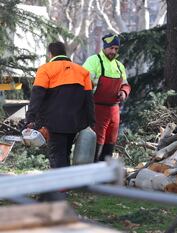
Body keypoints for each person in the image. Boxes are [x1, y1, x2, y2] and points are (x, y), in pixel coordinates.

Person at [26, 41, 95, 169]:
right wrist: (91, 122)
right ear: (64, 53)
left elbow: (37, 95)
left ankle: (60, 187)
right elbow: (89, 99)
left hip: (53, 122)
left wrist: (30, 118)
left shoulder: (45, 69)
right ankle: (65, 184)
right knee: (66, 152)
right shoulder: (83, 72)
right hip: (75, 122)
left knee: (57, 154)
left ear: (50, 54)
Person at [83, 33, 131, 162]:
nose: (113, 51)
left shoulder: (119, 66)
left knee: (111, 141)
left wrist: (123, 92)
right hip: (97, 108)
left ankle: (105, 173)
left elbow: (125, 85)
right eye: (111, 48)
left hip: (114, 110)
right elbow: (84, 83)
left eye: (116, 49)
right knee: (98, 140)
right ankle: (92, 171)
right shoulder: (93, 61)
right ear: (105, 47)